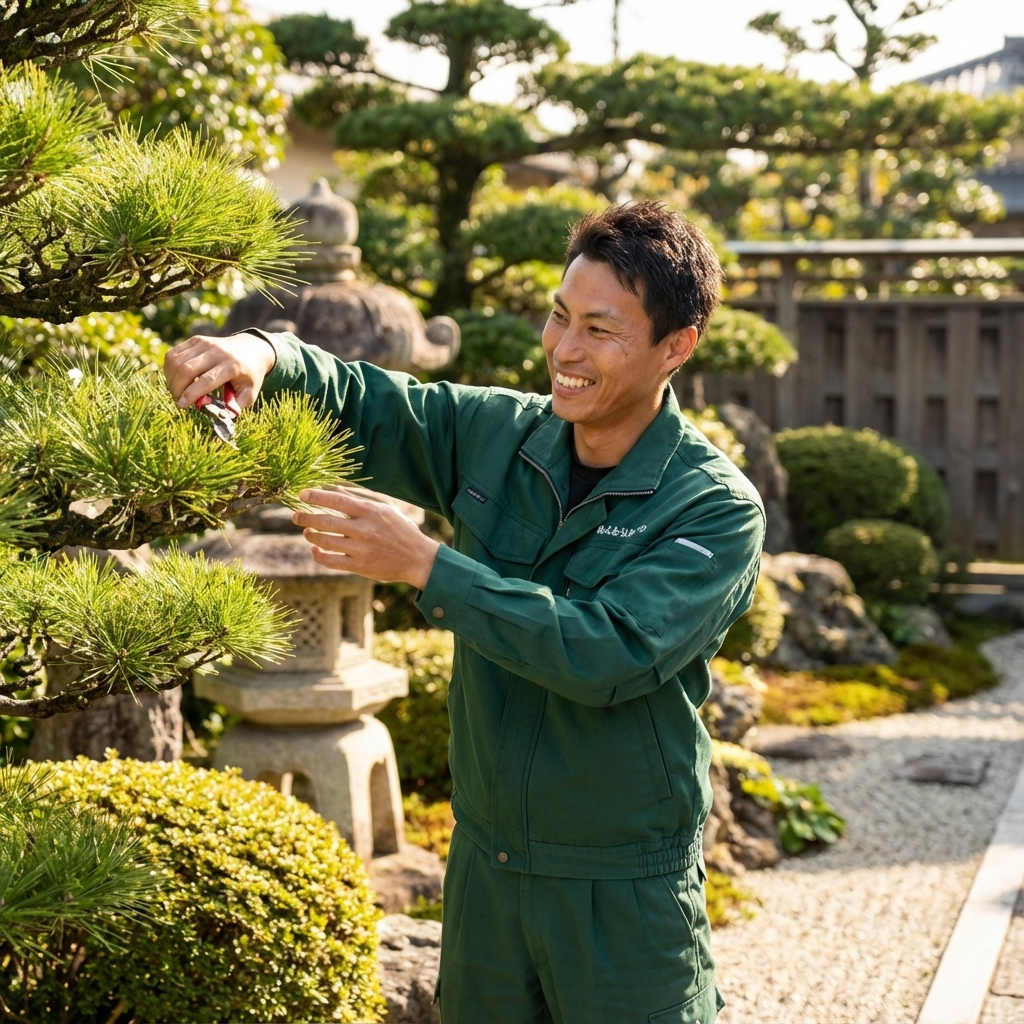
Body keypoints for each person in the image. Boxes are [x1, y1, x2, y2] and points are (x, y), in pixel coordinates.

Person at [164, 201, 765, 1024]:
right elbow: (369, 399)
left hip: (622, 886)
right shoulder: (501, 435)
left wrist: (424, 565)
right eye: (559, 317)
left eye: (600, 329)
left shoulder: (713, 507)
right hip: (486, 868)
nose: (565, 350)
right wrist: (260, 350)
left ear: (676, 346)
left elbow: (608, 651)